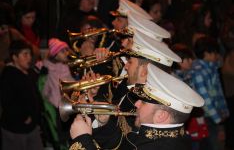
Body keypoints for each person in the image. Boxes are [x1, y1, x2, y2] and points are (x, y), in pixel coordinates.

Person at [69, 63, 204, 150]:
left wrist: (82, 140)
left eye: (144, 102)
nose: (137, 103)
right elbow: (125, 145)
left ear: (161, 116)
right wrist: (103, 123)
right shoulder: (157, 136)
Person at [0, 40, 43, 150]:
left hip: (31, 127)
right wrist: (24, 117)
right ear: (14, 57)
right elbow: (7, 103)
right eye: (25, 54)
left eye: (29, 54)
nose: (29, 58)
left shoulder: (26, 72)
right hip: (16, 130)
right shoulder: (8, 75)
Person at [191, 36, 229, 150]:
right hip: (207, 118)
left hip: (216, 115)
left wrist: (224, 113)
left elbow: (219, 93)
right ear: (206, 53)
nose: (217, 55)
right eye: (215, 52)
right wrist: (218, 120)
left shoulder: (212, 67)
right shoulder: (198, 72)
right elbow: (205, 101)